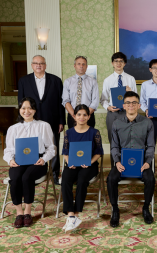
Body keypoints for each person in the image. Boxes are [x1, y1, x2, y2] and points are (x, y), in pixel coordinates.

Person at [3, 97, 56, 228]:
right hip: (19, 160)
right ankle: (19, 213)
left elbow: (51, 148)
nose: (26, 111)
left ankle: (27, 212)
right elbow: (8, 149)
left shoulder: (44, 125)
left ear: (34, 110)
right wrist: (10, 160)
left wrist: (44, 159)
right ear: (19, 110)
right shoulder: (13, 129)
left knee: (26, 178)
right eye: (23, 108)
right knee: (15, 178)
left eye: (30, 108)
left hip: (37, 161)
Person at [107, 91, 155, 227]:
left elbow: (151, 146)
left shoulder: (147, 123)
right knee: (110, 179)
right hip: (122, 162)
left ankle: (146, 208)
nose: (131, 105)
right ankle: (115, 210)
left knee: (150, 179)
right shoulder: (116, 124)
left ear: (139, 105)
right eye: (128, 103)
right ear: (124, 105)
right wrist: (117, 162)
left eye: (134, 103)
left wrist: (147, 162)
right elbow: (114, 146)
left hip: (142, 163)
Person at [18, 55, 65, 184]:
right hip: (31, 121)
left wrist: (61, 121)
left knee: (53, 146)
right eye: (36, 63)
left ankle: (55, 174)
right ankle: (36, 171)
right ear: (32, 65)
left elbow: (61, 103)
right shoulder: (23, 81)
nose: (39, 65)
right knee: (34, 147)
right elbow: (21, 103)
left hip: (53, 119)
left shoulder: (56, 80)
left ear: (45, 65)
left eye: (41, 63)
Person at [61, 104, 104, 232]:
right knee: (66, 179)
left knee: (82, 180)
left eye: (85, 114)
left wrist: (90, 162)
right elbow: (65, 151)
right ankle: (70, 215)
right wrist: (69, 162)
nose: (82, 117)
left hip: (89, 165)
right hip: (72, 164)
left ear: (89, 116)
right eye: (79, 114)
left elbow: (99, 152)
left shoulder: (94, 132)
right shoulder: (68, 132)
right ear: (74, 116)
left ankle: (77, 214)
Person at [100, 52, 136, 167]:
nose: (118, 63)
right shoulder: (107, 80)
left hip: (127, 114)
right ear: (112, 63)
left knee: (128, 141)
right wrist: (108, 107)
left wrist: (130, 92)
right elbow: (103, 100)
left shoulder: (131, 79)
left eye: (121, 61)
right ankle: (114, 168)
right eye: (116, 61)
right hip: (113, 114)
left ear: (124, 63)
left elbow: (135, 99)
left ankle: (128, 167)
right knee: (113, 142)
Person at [62, 56, 99, 128]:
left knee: (89, 138)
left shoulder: (93, 82)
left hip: (88, 117)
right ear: (74, 66)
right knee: (73, 139)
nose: (81, 66)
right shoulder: (67, 82)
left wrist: (84, 115)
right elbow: (65, 100)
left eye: (83, 64)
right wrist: (75, 115)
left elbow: (95, 101)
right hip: (72, 117)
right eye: (79, 64)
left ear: (86, 66)